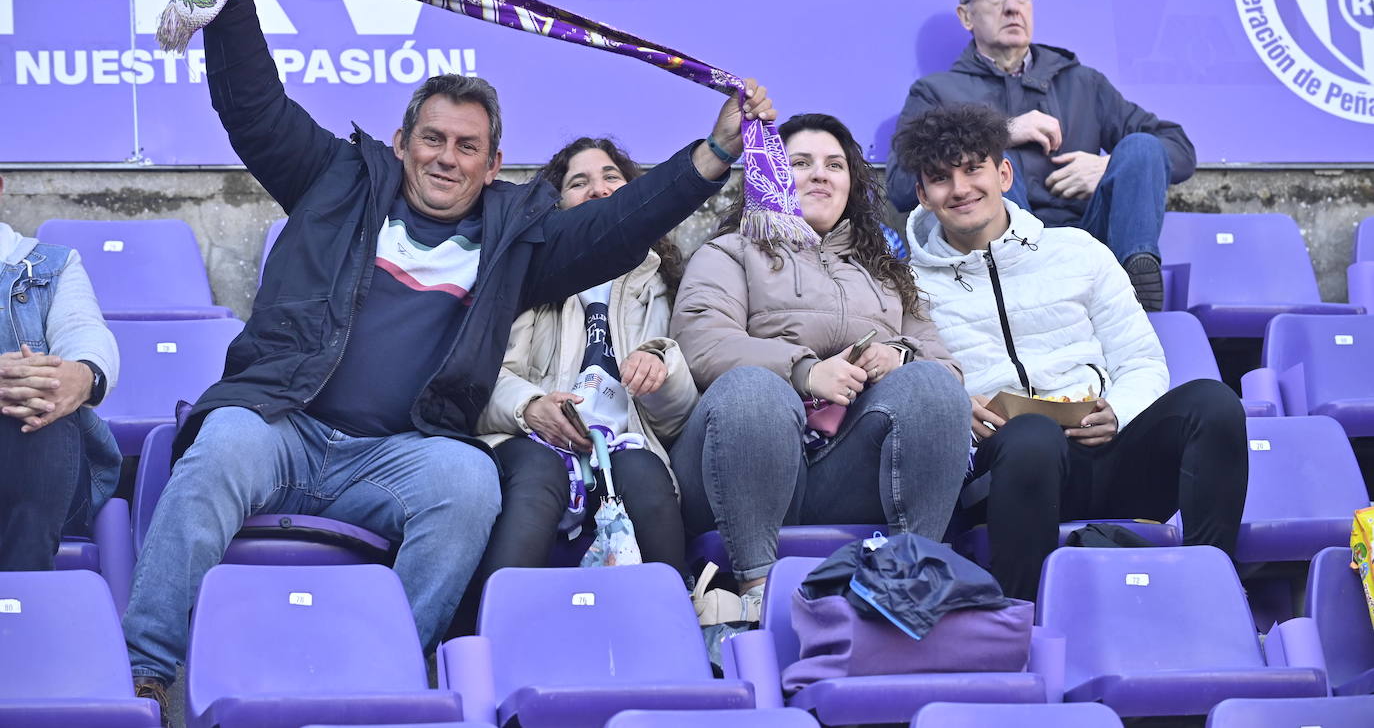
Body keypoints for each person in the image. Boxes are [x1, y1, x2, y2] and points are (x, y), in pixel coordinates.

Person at [122, 0, 774, 707]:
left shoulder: (517, 237)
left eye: (467, 147)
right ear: (400, 143)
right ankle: (144, 677)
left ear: (495, 164)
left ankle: (390, 677)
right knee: (220, 441)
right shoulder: (336, 182)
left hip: (397, 455)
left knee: (467, 479)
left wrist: (713, 153)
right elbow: (256, 111)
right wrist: (231, 4)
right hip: (281, 427)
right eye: (431, 138)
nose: (445, 157)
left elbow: (616, 225)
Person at [893, 102, 1246, 601]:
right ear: (924, 196)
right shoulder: (904, 285)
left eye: (973, 168)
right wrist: (954, 411)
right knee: (1032, 435)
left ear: (1004, 172)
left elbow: (1141, 360)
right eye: (941, 178)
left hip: (1103, 454)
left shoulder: (1079, 251)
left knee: (1213, 403)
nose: (961, 188)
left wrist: (1119, 413)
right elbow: (906, 385)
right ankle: (1026, 620)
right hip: (1000, 470)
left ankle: (1215, 593)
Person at [669, 112, 970, 623]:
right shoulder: (729, 252)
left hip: (839, 469)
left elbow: (947, 372)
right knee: (753, 389)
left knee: (931, 389)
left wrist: (899, 357)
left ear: (851, 181)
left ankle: (909, 586)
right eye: (801, 163)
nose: (820, 174)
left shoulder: (886, 272)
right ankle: (758, 596)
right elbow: (700, 343)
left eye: (834, 164)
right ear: (770, 174)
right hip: (737, 464)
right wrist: (805, 372)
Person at [459, 137, 696, 629]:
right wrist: (531, 407)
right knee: (538, 474)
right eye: (578, 182)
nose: (598, 190)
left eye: (611, 177)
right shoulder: (529, 276)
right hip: (532, 438)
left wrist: (662, 370)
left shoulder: (666, 283)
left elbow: (677, 422)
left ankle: (676, 637)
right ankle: (493, 639)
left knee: (646, 475)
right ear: (556, 202)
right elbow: (481, 381)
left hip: (629, 440)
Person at [886, 0, 1198, 312]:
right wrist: (1002, 132)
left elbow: (1179, 150)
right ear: (966, 16)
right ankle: (1021, 281)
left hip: (1093, 242)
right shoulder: (937, 92)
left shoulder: (1082, 83)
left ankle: (1137, 283)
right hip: (1007, 255)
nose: (1012, 7)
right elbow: (899, 185)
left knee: (1143, 147)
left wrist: (1108, 166)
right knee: (997, 163)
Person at [0, 176, 122, 572]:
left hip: (42, 480)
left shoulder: (52, 266)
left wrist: (82, 376)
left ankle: (21, 595)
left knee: (41, 407)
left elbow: (84, 331)